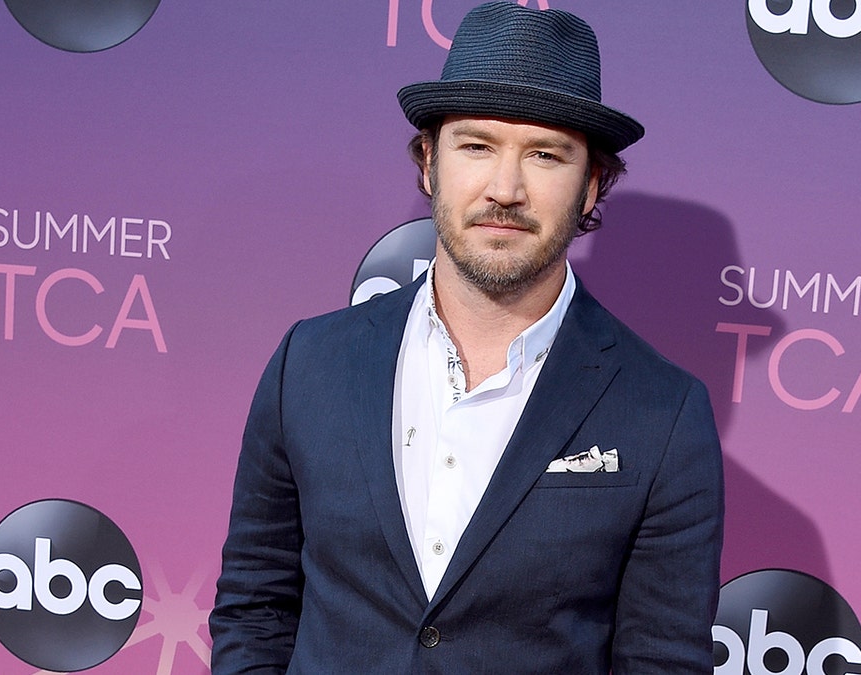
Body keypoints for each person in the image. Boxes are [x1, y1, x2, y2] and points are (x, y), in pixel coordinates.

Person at [209, 3, 723, 673]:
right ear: (429, 162)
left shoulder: (664, 413)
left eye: (545, 154)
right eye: (477, 146)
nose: (504, 189)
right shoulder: (309, 363)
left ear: (592, 182)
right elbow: (256, 604)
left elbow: (662, 662)